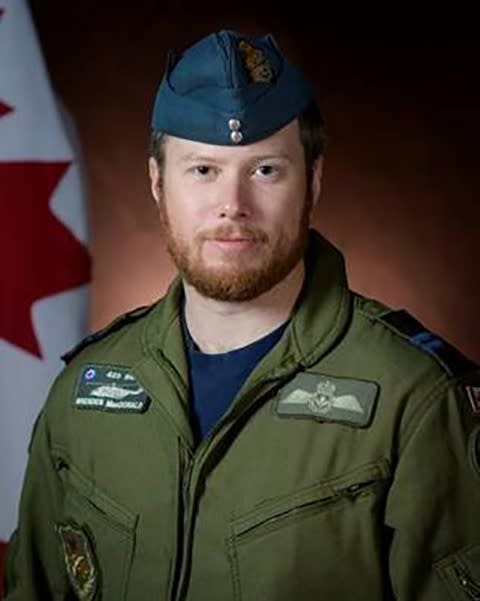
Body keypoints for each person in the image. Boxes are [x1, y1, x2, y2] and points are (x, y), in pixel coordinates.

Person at [3, 28, 480, 601]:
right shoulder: (82, 393)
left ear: (314, 181)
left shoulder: (416, 402)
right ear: (158, 183)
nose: (233, 203)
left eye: (265, 170)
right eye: (203, 170)